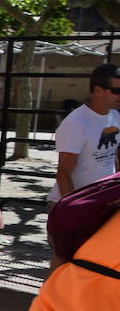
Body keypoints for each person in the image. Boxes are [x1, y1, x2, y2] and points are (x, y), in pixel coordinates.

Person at [48, 62, 120, 209]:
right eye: (116, 90)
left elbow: (113, 155)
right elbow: (64, 172)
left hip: (101, 203)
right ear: (98, 90)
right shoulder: (76, 123)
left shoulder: (115, 116)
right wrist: (74, 208)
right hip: (75, 205)